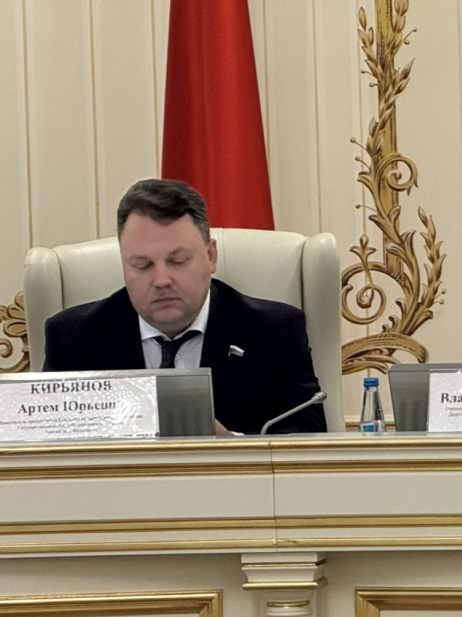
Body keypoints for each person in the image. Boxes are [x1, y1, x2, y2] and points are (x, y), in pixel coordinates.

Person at [43, 179, 327, 435]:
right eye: (143, 265)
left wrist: (231, 447)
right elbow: (47, 444)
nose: (162, 280)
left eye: (177, 261)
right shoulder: (73, 338)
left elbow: (306, 438)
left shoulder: (274, 332)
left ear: (211, 255)